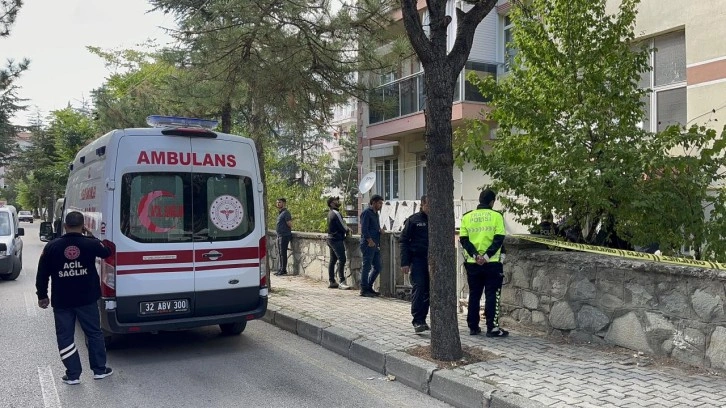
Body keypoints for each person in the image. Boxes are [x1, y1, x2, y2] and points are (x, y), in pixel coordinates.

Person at [35, 211, 114, 385]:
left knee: (65, 337)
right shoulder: (90, 244)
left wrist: (42, 295)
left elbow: (42, 274)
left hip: (62, 301)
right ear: (83, 225)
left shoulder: (51, 247)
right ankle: (99, 370)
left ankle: (73, 374)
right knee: (94, 333)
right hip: (87, 299)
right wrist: (90, 235)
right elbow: (107, 251)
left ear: (64, 226)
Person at [459, 189, 509, 338]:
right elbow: (499, 239)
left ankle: (473, 327)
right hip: (492, 263)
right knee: (492, 294)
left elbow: (464, 239)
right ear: (492, 202)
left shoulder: (467, 217)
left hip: (473, 263)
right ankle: (492, 328)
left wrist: (475, 256)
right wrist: (486, 256)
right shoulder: (496, 216)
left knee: (474, 294)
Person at [400, 195, 430, 333]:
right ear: (422, 204)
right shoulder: (413, 220)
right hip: (418, 260)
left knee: (429, 291)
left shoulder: (437, 219)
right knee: (419, 287)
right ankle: (417, 320)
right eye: (428, 205)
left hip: (433, 261)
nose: (430, 208)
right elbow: (404, 241)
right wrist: (405, 262)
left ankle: (423, 319)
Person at [359, 194, 384, 297]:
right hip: (368, 244)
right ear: (373, 202)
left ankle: (369, 287)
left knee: (378, 267)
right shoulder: (366, 213)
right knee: (367, 267)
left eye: (381, 203)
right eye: (379, 203)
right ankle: (364, 289)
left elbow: (374, 227)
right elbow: (364, 228)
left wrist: (380, 230)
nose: (380, 205)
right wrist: (369, 240)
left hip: (375, 244)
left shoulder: (376, 214)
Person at [326, 196, 351, 289]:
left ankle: (332, 281)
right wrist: (348, 230)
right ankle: (341, 281)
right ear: (332, 203)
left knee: (333, 260)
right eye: (336, 200)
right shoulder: (336, 213)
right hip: (336, 239)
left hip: (330, 238)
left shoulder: (330, 213)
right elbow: (342, 225)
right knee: (342, 259)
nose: (338, 201)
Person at [274, 198, 293, 276]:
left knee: (283, 253)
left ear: (284, 203)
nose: (278, 204)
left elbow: (289, 224)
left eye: (280, 202)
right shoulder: (280, 213)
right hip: (280, 235)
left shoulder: (286, 213)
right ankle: (280, 269)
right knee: (280, 253)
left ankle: (283, 270)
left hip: (284, 235)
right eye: (277, 202)